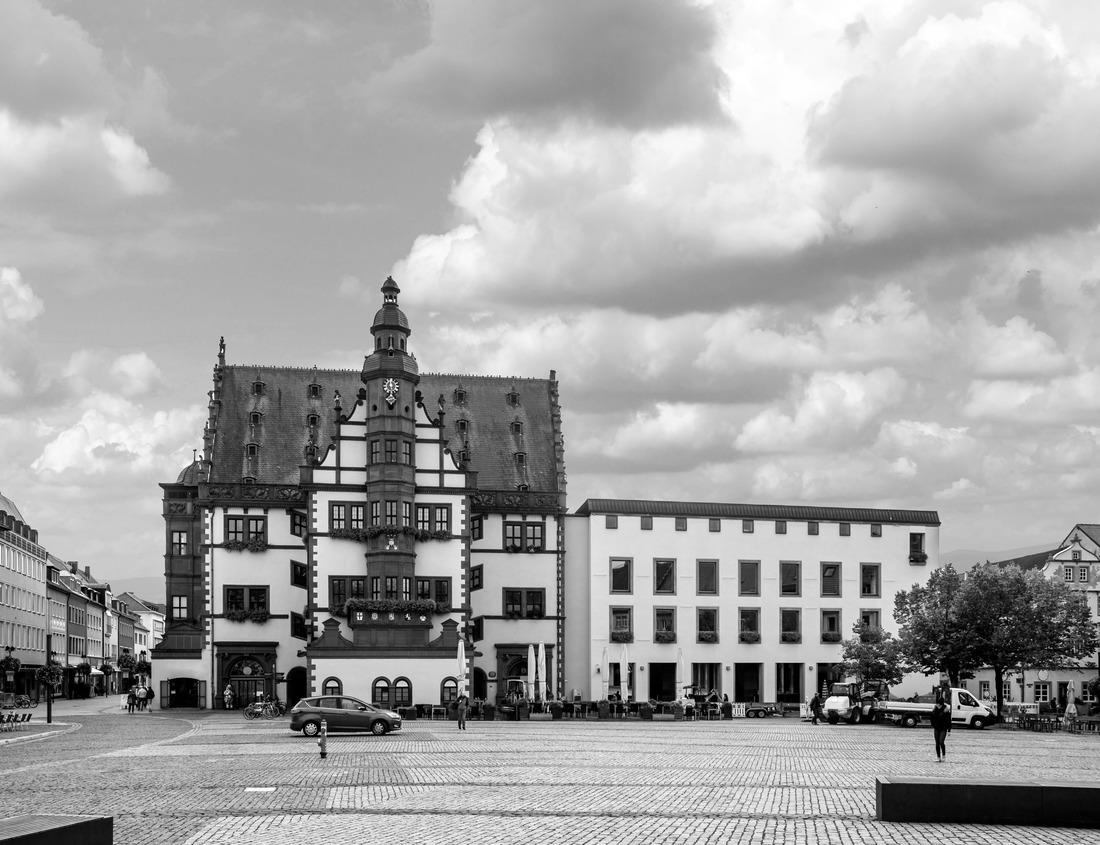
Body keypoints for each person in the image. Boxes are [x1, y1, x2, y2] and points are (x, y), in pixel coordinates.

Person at [930, 694, 952, 761]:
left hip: (943, 728)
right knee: (937, 743)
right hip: (936, 728)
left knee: (941, 742)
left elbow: (949, 721)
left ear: (942, 704)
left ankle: (944, 755)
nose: (938, 705)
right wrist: (933, 725)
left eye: (939, 704)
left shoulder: (946, 710)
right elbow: (932, 718)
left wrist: (949, 730)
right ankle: (938, 757)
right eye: (937, 704)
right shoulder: (935, 709)